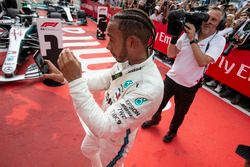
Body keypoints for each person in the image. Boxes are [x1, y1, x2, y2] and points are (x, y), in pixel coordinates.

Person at [44, 8, 164, 167]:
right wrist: (67, 77)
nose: (108, 46)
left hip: (115, 140)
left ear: (132, 42)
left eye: (112, 39)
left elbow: (104, 128)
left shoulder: (150, 89)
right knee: (87, 149)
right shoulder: (128, 62)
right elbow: (105, 79)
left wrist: (75, 81)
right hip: (103, 120)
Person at [141, 6, 226, 143]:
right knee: (157, 103)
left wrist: (193, 39)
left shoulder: (218, 40)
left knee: (180, 113)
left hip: (189, 85)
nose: (208, 21)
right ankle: (155, 119)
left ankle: (172, 131)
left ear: (220, 25)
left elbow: (202, 61)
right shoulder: (189, 32)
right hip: (172, 77)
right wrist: (174, 37)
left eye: (214, 20)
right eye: (207, 17)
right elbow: (171, 53)